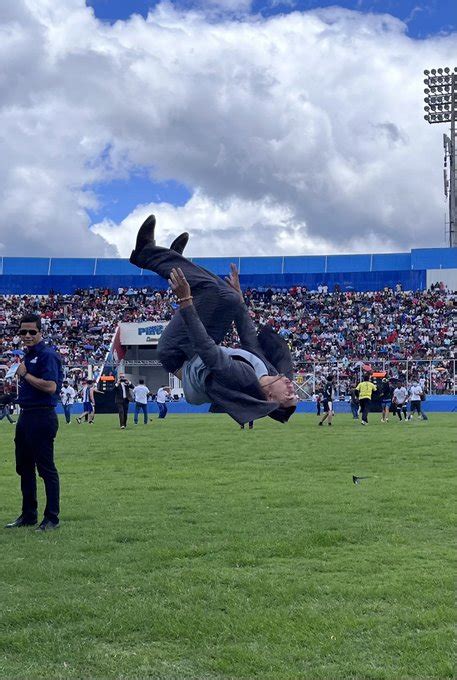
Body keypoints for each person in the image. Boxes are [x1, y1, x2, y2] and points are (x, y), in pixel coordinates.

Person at [128, 215, 297, 425]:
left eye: (288, 396)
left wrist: (186, 301)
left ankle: (145, 254)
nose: (292, 389)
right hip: (195, 351)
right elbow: (249, 340)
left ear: (270, 398)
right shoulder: (269, 371)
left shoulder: (244, 379)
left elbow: (207, 349)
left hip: (178, 353)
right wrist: (240, 300)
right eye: (295, 395)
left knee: (210, 291)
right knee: (230, 298)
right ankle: (173, 258)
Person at [5, 313, 63, 531]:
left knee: (46, 469)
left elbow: (51, 387)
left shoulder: (47, 355)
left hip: (42, 415)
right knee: (24, 467)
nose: (27, 335)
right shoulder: (28, 356)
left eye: (32, 331)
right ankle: (28, 514)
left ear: (40, 332)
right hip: (26, 415)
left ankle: (52, 518)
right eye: (23, 332)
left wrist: (25, 375)